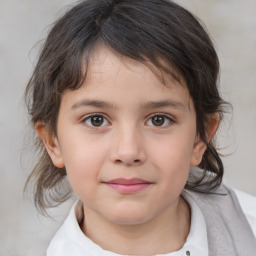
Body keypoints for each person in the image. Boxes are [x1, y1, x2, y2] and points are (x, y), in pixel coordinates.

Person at [24, 0, 256, 255]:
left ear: (201, 136)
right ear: (52, 142)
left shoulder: (248, 227)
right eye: (96, 120)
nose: (128, 151)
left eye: (159, 120)